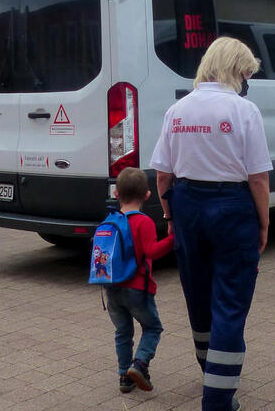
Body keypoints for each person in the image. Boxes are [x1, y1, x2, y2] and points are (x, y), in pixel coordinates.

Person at [150, 37, 272, 411]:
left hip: (187, 205)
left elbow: (162, 175)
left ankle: (210, 371)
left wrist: (170, 217)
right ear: (236, 70)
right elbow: (257, 179)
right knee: (231, 303)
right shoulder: (244, 110)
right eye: (247, 72)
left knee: (199, 298)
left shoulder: (178, 110)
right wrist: (263, 224)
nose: (247, 80)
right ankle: (217, 400)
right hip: (232, 207)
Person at [104, 167, 175, 394]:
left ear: (116, 194)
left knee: (123, 332)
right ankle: (140, 364)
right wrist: (174, 239)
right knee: (153, 327)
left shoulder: (110, 220)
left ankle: (125, 377)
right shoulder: (144, 222)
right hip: (138, 288)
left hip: (112, 288)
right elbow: (152, 252)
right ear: (147, 195)